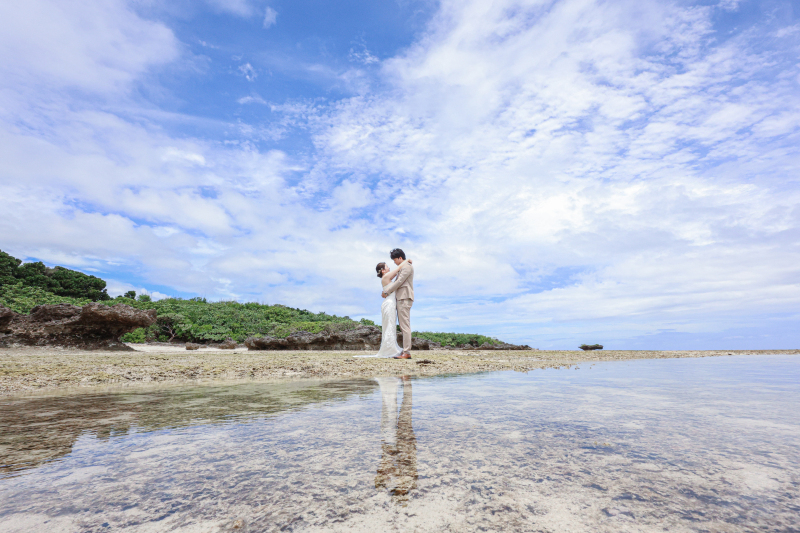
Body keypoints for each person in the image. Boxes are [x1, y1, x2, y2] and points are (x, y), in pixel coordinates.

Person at [353, 255, 413, 358]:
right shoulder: (386, 277)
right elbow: (398, 270)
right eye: (387, 267)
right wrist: (407, 260)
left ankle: (392, 348)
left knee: (391, 326)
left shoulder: (387, 277)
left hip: (391, 303)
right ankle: (390, 350)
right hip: (389, 304)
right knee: (389, 326)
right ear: (383, 270)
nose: (389, 267)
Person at [382, 248, 414, 359]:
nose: (394, 262)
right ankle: (405, 351)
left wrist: (387, 291)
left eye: (395, 260)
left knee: (405, 326)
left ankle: (407, 352)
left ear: (400, 258)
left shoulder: (407, 267)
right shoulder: (404, 266)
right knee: (403, 325)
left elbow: (399, 282)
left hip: (404, 297)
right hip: (401, 298)